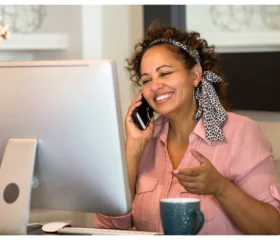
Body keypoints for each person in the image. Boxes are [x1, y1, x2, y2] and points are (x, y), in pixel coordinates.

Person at [94, 23, 280, 235]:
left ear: (195, 76)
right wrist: (134, 147)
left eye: (164, 73)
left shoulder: (241, 132)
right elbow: (108, 230)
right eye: (146, 80)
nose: (155, 86)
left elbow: (273, 229)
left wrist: (221, 188)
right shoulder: (145, 141)